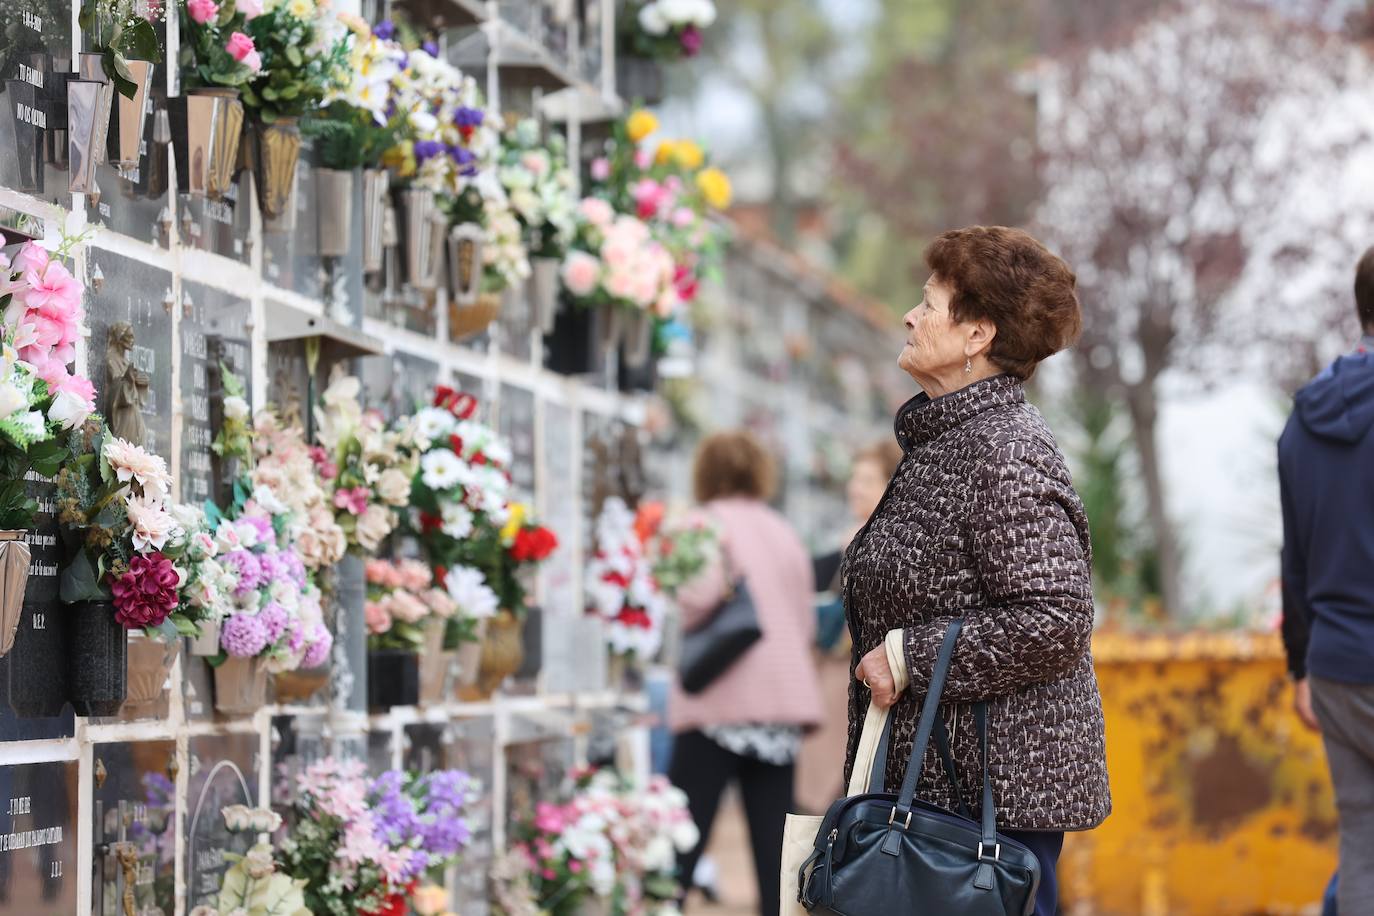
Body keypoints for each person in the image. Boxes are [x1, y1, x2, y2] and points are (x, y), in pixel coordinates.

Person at [847, 226, 1110, 916]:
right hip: (943, 790)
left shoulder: (1004, 452)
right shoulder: (948, 440)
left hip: (986, 807)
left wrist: (909, 656)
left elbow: (1055, 617)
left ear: (977, 336)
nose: (911, 315)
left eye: (930, 304)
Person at [668, 430, 823, 916]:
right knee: (775, 859)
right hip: (780, 709)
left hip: (720, 703)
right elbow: (802, 621)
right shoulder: (783, 530)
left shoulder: (701, 523)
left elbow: (694, 600)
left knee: (679, 843)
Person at [1279, 245, 1374, 916]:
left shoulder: (1303, 419)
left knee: (1364, 844)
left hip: (1338, 667)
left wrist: (1301, 669)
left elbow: (1297, 557)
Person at [797, 439, 904, 814]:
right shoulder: (849, 540)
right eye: (854, 478)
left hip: (856, 676)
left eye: (867, 479)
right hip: (835, 674)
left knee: (833, 785)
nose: (855, 487)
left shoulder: (882, 543)